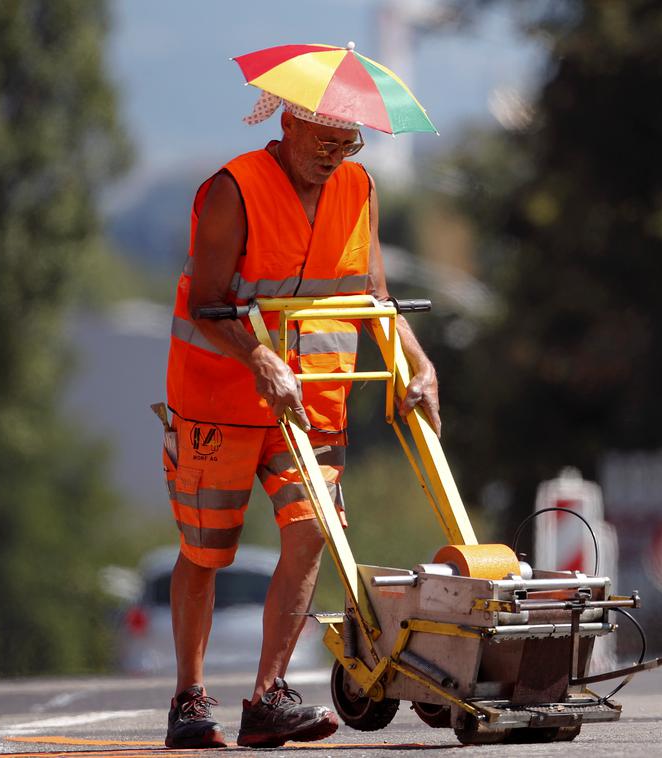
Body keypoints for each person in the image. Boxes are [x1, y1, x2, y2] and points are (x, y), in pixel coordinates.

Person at [159, 96, 441, 749]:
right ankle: (188, 698)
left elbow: (371, 298)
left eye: (347, 145)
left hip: (311, 399)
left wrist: (418, 364)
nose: (334, 156)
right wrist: (257, 357)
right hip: (220, 400)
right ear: (287, 122)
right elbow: (205, 303)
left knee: (314, 532)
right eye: (323, 140)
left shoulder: (358, 188)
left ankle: (267, 697)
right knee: (206, 552)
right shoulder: (235, 190)